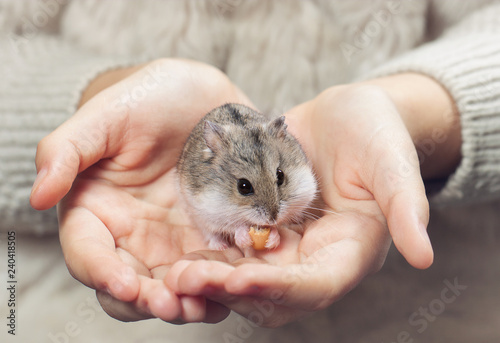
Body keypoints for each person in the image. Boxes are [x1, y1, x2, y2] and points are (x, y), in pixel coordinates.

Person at [2, 0, 499, 335]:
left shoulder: (289, 161)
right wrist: (103, 105)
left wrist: (414, 114)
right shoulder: (201, 175)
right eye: (246, 190)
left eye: (279, 183)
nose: (271, 209)